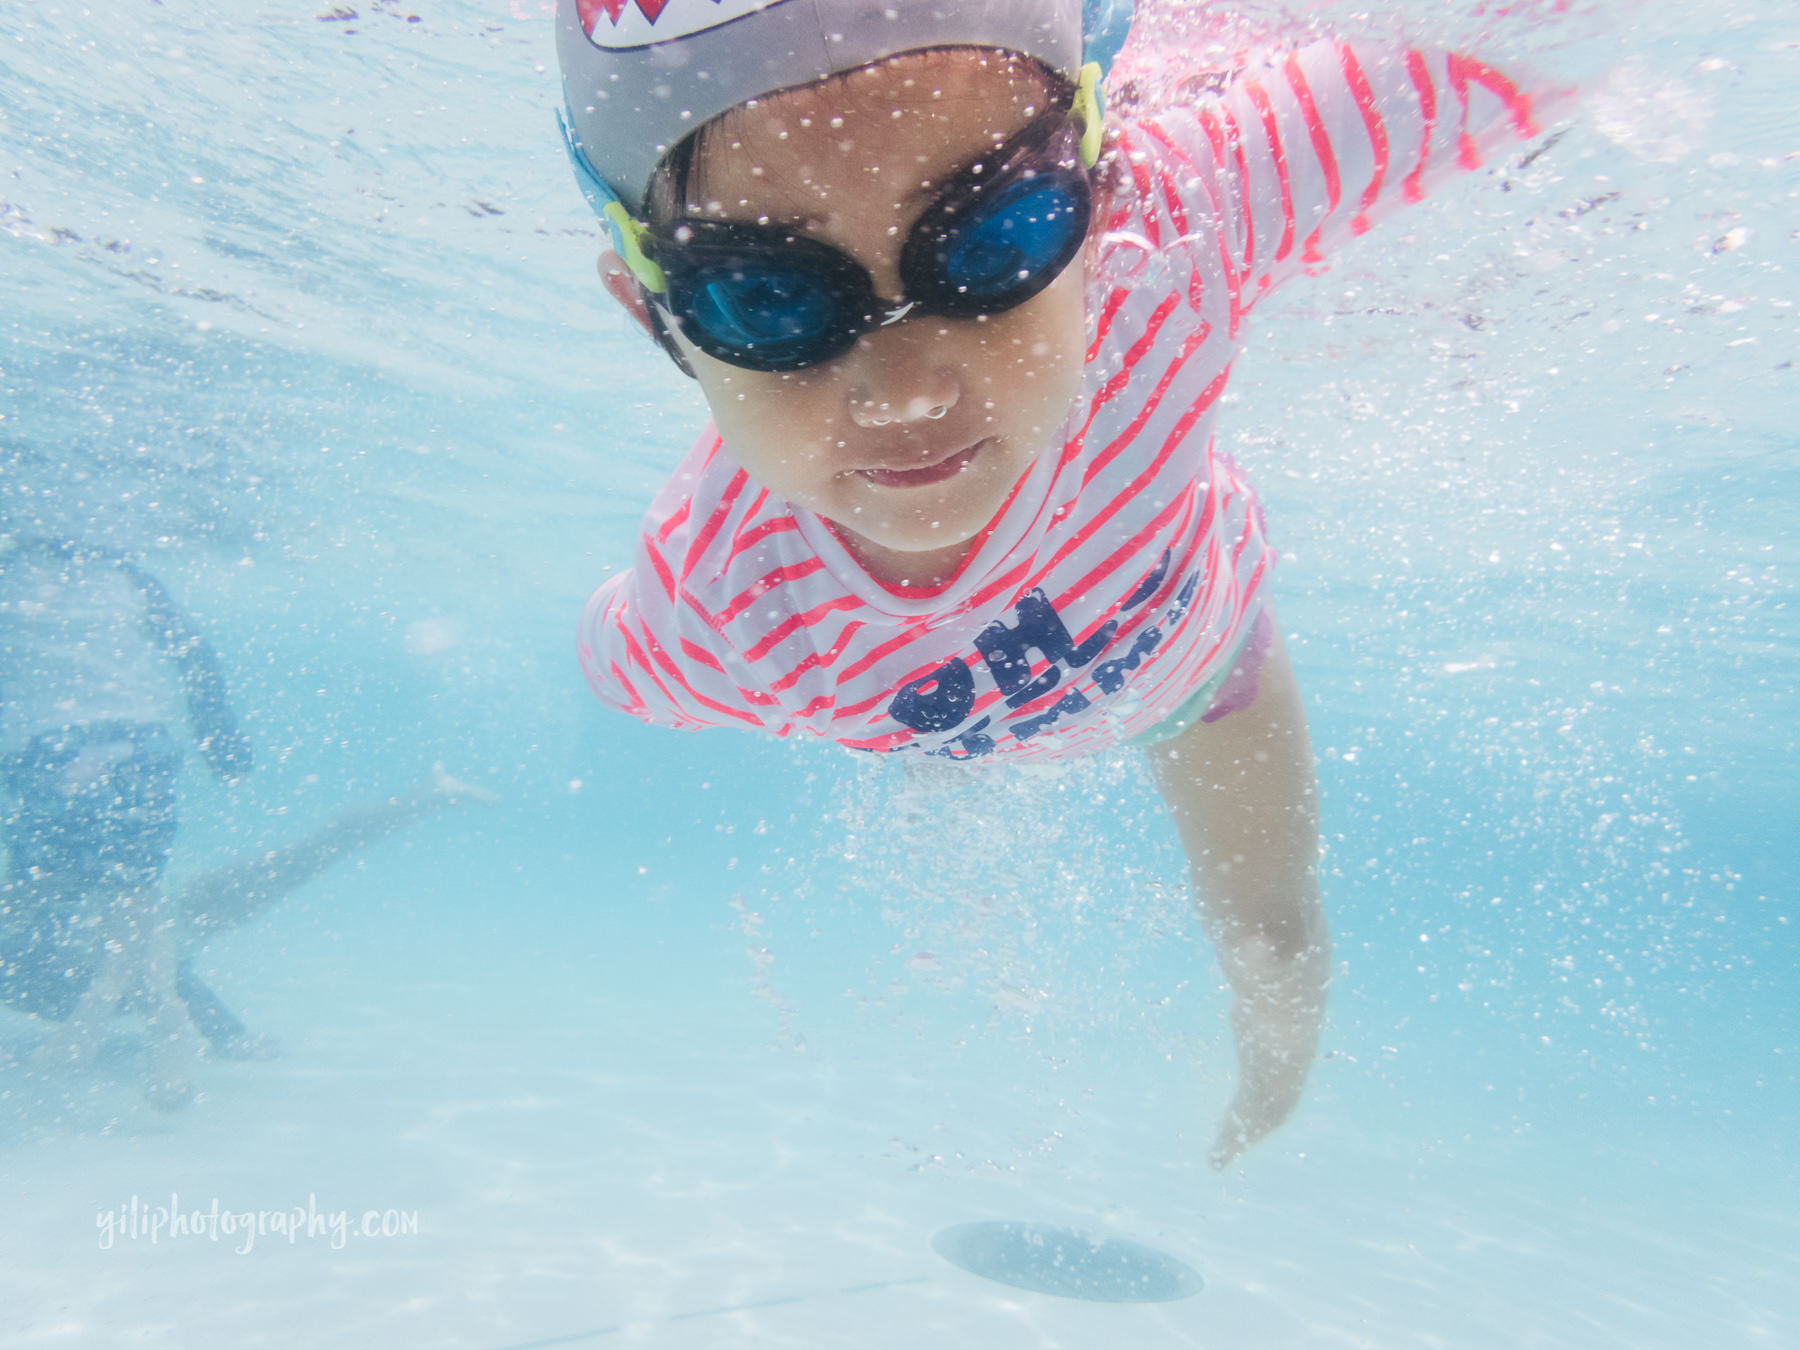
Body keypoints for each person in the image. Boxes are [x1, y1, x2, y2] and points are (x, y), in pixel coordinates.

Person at [555, 0, 1556, 1167]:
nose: (906, 392)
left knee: (1273, 940)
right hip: (940, 714)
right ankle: (934, 737)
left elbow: (1521, 48)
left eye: (993, 240)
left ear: (1104, 191)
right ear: (656, 318)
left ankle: (1266, 1101)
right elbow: (610, 657)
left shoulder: (1182, 229)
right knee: (926, 746)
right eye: (765, 300)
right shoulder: (716, 607)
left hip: (1197, 670)